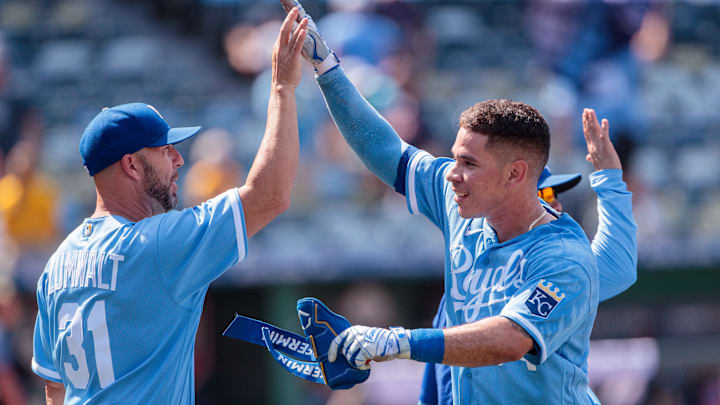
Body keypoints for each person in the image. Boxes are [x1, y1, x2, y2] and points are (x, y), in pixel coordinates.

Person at [282, 2, 599, 403]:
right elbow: (385, 149)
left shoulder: (565, 257)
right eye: (454, 157)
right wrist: (327, 68)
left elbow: (510, 339)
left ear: (516, 174)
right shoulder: (460, 201)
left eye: (468, 163)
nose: (451, 172)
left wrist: (399, 342)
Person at [30, 9, 309, 404]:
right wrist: (282, 88)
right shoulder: (157, 243)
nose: (178, 160)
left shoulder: (57, 264)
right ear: (131, 165)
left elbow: (54, 389)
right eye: (165, 151)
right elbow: (270, 196)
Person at [421, 108, 638, 405]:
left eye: (556, 195)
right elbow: (441, 391)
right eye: (546, 195)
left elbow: (619, 267)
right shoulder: (464, 296)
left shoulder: (561, 264)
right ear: (518, 184)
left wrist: (610, 181)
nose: (556, 204)